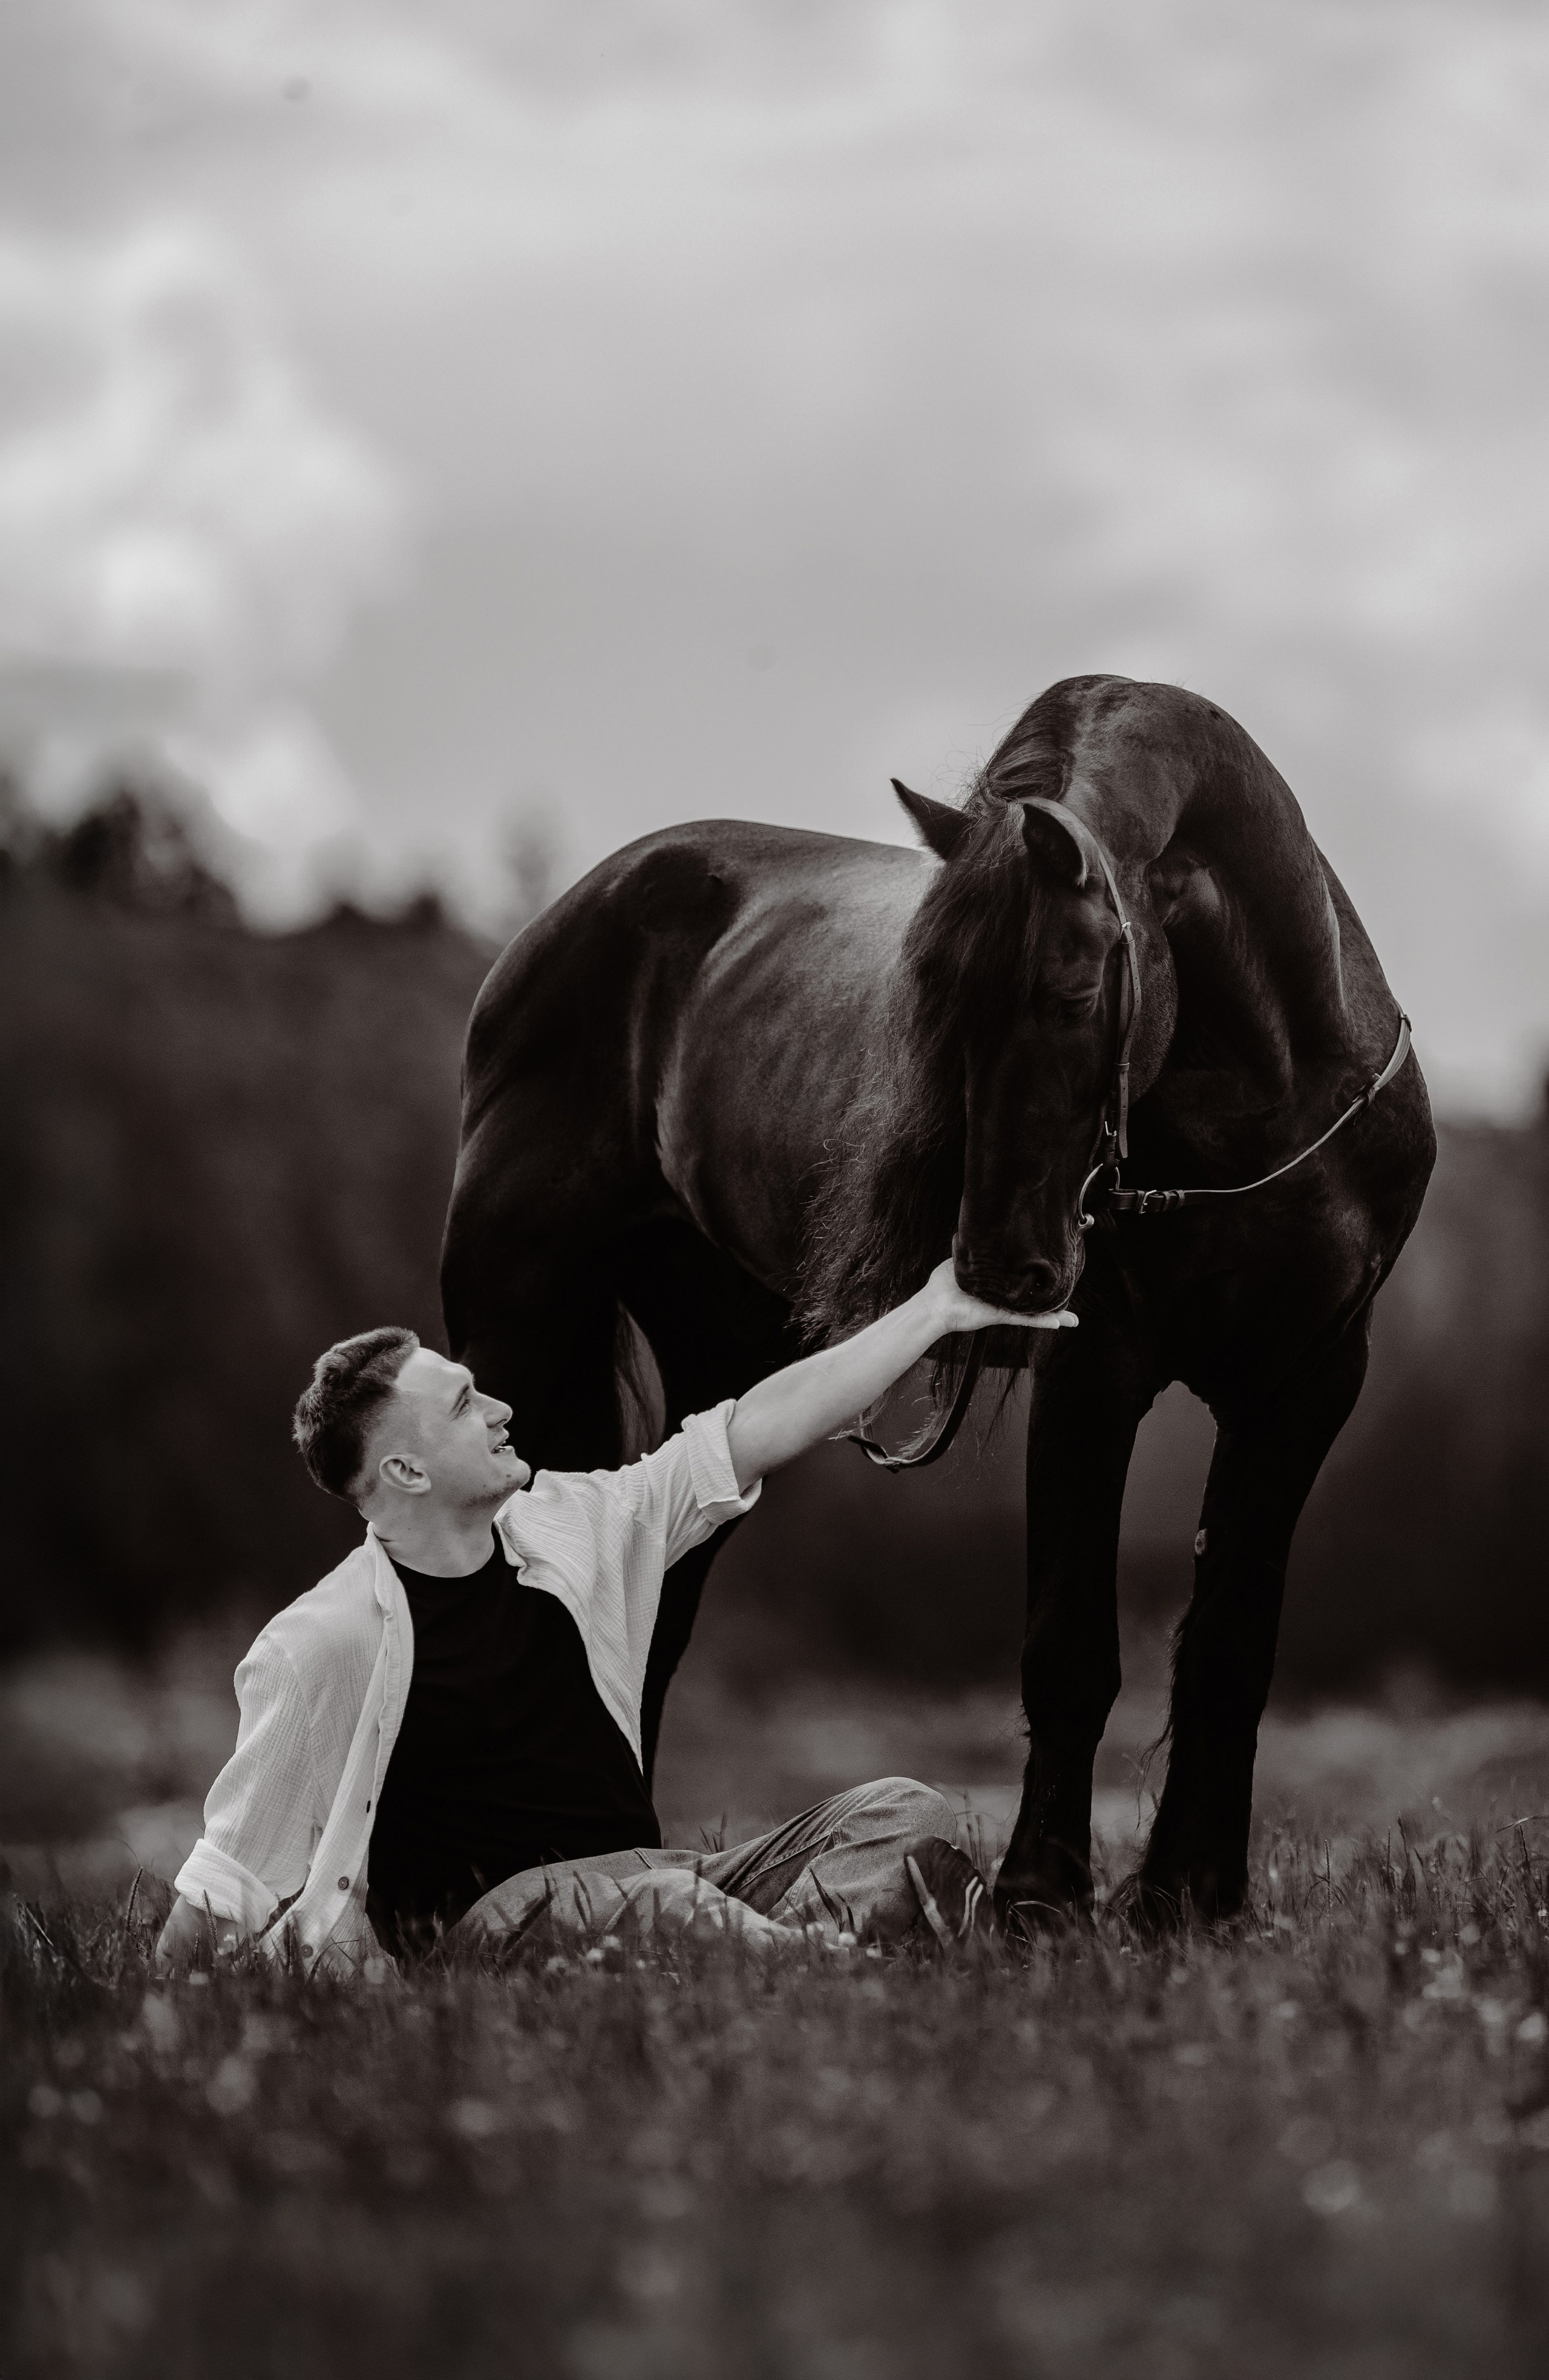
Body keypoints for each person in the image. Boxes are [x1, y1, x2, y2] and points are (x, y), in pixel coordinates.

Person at [155, 1260, 1074, 1974]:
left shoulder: (572, 1524)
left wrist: (935, 1308)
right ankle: (824, 1969)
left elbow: (749, 1429)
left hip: (654, 1876)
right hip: (489, 1932)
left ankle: (758, 1963)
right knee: (668, 1910)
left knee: (906, 1815)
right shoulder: (321, 1639)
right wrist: (160, 2015)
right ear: (404, 1471)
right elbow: (227, 1877)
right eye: (467, 1404)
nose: (501, 1408)